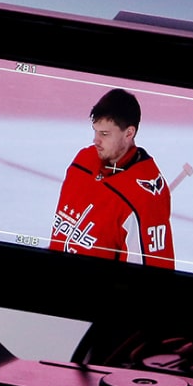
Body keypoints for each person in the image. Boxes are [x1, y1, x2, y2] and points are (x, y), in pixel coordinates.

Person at [49, 88, 175, 268]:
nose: (95, 140)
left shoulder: (145, 198)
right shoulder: (82, 162)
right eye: (95, 131)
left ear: (129, 133)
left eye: (104, 134)